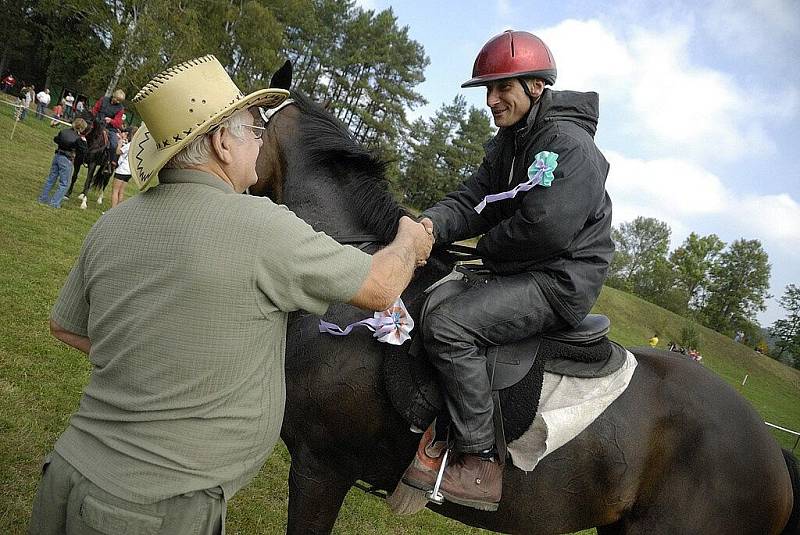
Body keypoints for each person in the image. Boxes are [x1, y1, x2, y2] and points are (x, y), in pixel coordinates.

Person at [29, 55, 433, 534]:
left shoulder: (114, 222)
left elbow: (65, 326)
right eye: (253, 130)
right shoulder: (263, 228)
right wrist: (409, 238)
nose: (260, 140)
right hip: (155, 510)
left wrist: (153, 360)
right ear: (222, 142)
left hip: (65, 478)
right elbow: (382, 287)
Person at [402, 30, 614, 511]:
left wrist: (486, 249)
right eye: (487, 90)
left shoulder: (568, 145)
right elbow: (474, 199)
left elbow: (545, 228)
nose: (491, 100)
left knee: (449, 324)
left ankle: (478, 458)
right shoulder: (510, 144)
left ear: (535, 87)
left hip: (558, 281)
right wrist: (429, 227)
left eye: (502, 89)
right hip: (526, 269)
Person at [36, 117, 88, 208]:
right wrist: (84, 142)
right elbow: (84, 151)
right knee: (64, 183)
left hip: (57, 156)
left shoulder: (63, 131)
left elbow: (56, 139)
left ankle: (42, 198)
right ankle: (55, 203)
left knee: (51, 179)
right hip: (67, 159)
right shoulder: (79, 139)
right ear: (82, 128)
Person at [91, 89, 126, 163]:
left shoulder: (120, 108)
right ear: (114, 96)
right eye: (117, 99)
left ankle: (108, 162)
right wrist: (94, 117)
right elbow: (95, 109)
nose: (118, 102)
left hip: (110, 128)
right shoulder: (103, 99)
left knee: (113, 144)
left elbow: (118, 122)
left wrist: (111, 120)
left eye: (120, 101)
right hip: (97, 122)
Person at [110, 126, 137, 208]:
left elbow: (118, 152)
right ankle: (118, 209)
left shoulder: (129, 145)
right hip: (129, 171)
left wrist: (120, 143)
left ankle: (112, 211)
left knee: (115, 191)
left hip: (122, 170)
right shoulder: (137, 145)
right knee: (121, 192)